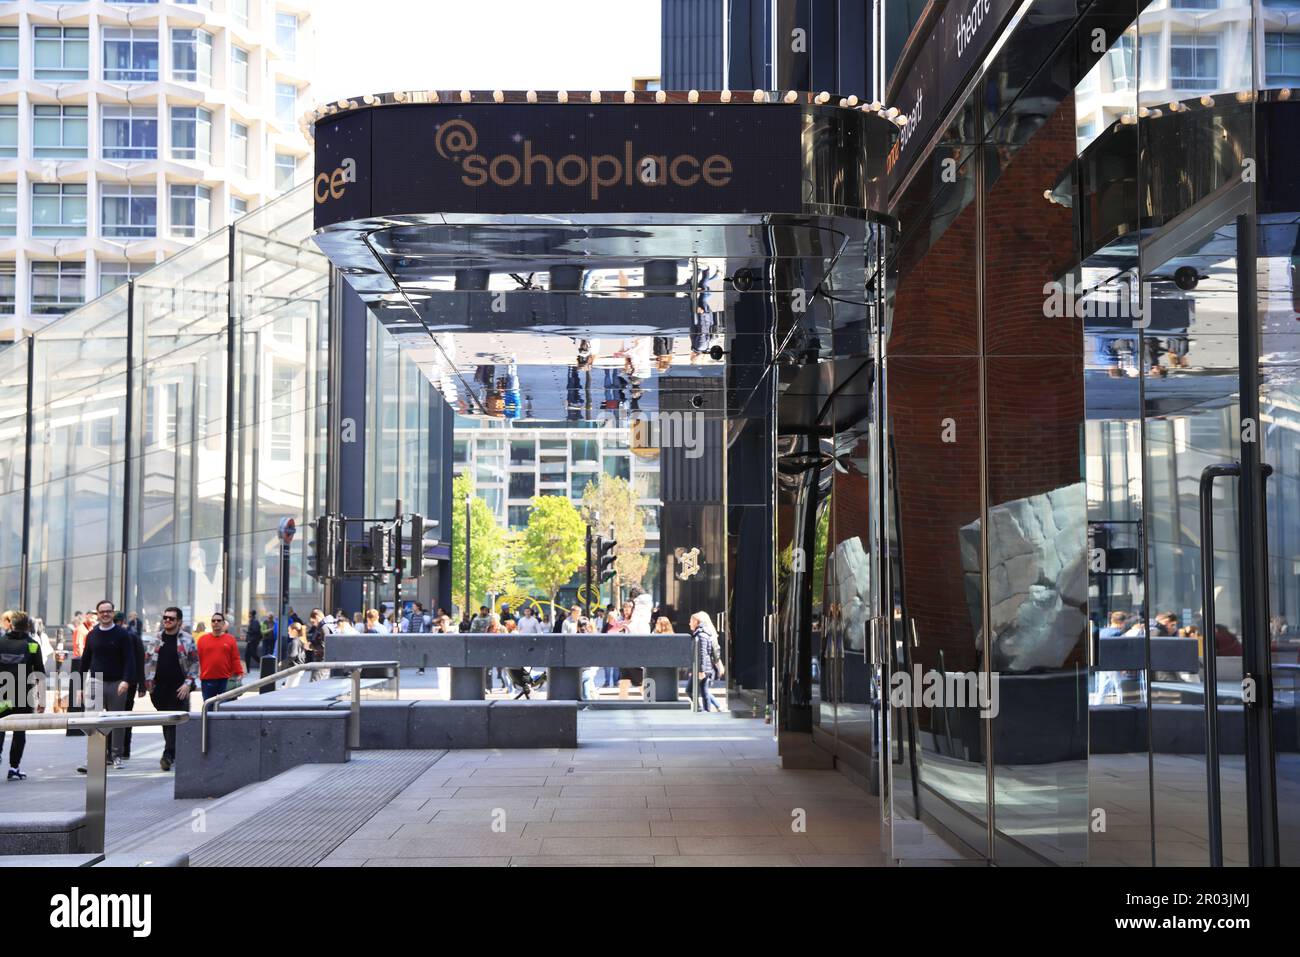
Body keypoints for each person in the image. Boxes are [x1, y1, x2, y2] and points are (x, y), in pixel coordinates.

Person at [77, 599, 138, 769]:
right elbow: (85, 661)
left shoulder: (122, 634)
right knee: (92, 720)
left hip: (117, 682)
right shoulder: (92, 635)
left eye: (108, 611)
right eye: (102, 611)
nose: (105, 614)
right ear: (97, 614)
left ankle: (116, 755)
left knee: (117, 720)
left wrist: (126, 680)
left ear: (113, 613)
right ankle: (94, 758)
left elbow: (129, 659)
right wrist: (80, 687)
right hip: (96, 681)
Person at [142, 607, 199, 771]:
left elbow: (194, 663)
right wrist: (148, 683)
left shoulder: (187, 639)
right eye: (165, 618)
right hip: (159, 688)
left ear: (179, 622)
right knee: (165, 722)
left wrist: (188, 683)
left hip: (179, 687)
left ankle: (168, 754)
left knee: (175, 721)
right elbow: (147, 661)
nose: (167, 620)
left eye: (171, 618)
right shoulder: (156, 638)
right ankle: (171, 752)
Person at [0, 611, 46, 781]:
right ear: (28, 626)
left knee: (0, 728)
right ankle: (14, 768)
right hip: (22, 697)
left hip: (2, 696)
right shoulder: (32, 645)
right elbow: (40, 673)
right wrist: (41, 700)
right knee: (19, 732)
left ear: (10, 624)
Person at [196, 611, 244, 701]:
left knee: (226, 708)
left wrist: (239, 673)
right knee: (209, 709)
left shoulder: (230, 639)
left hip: (226, 680)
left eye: (218, 620)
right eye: (213, 621)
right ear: (211, 623)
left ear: (223, 623)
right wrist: (199, 673)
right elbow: (198, 659)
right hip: (207, 680)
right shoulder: (202, 640)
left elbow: (235, 658)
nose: (216, 622)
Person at [690, 611, 723, 712]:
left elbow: (705, 653)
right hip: (704, 667)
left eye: (691, 620)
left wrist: (701, 670)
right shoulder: (704, 633)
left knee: (701, 691)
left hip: (704, 667)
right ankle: (709, 709)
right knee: (704, 691)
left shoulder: (702, 634)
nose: (689, 623)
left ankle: (704, 710)